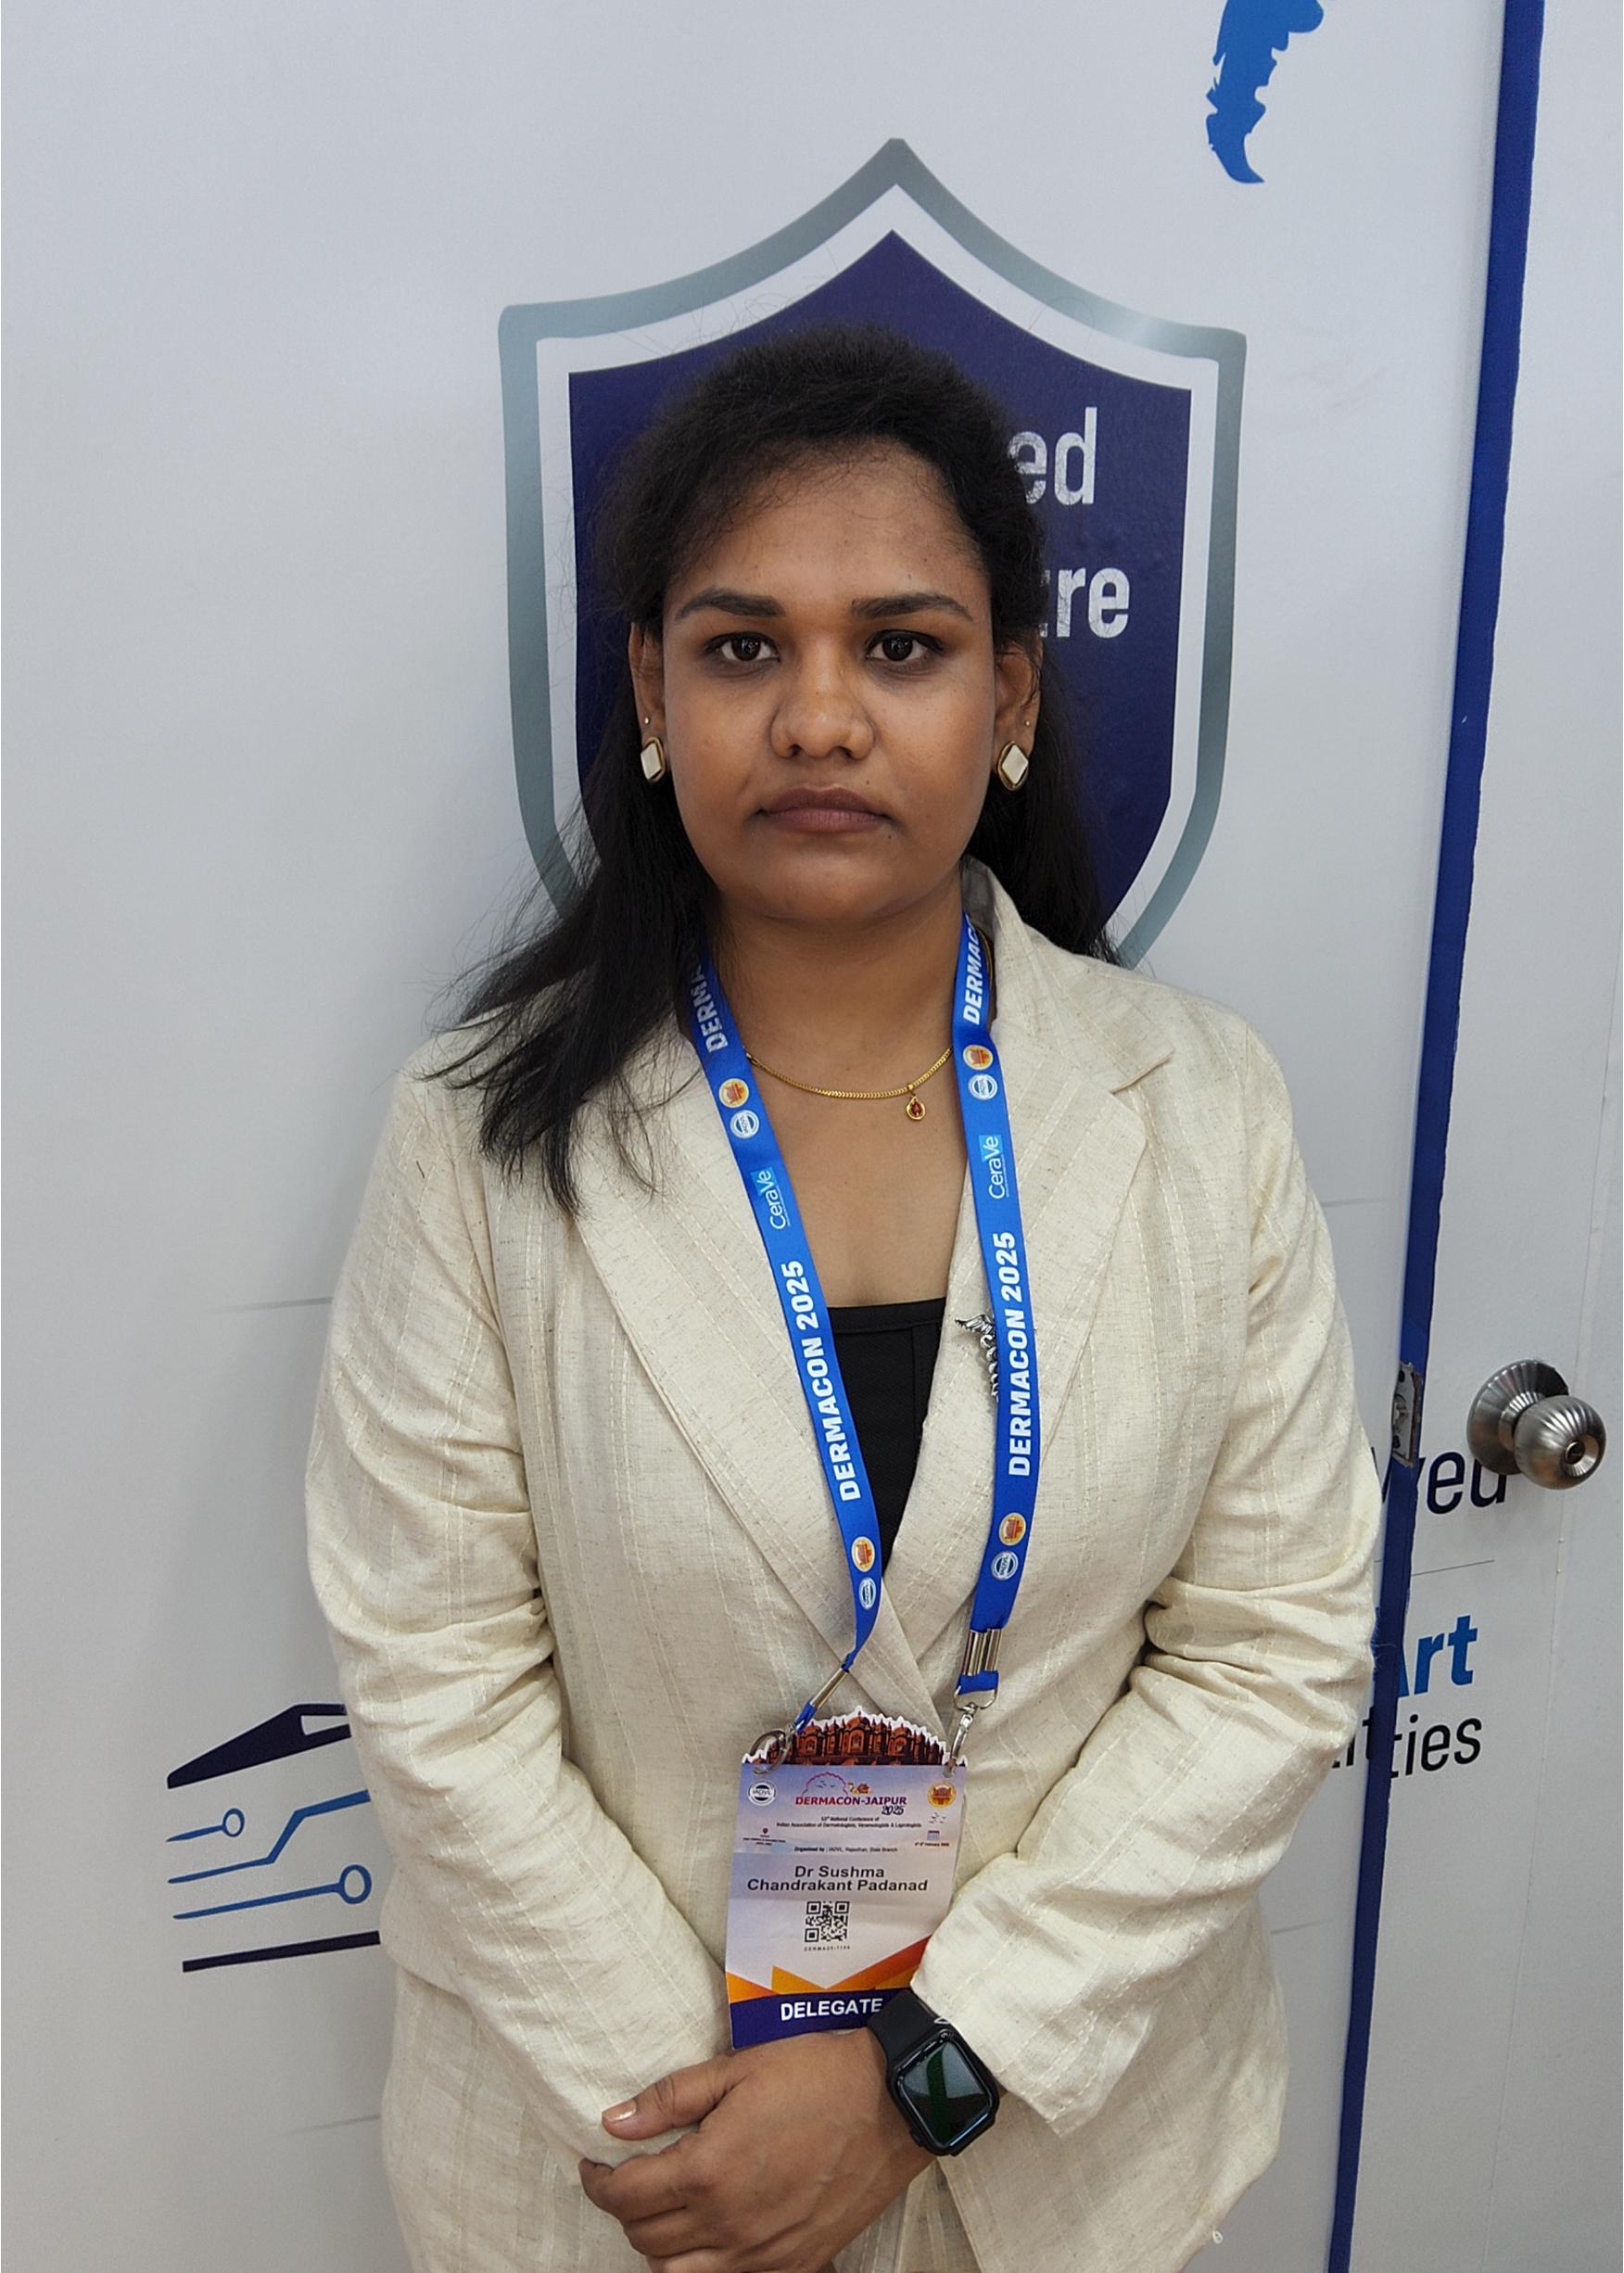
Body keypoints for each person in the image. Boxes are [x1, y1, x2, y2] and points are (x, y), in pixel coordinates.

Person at [305, 324, 1380, 2273]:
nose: (818, 717)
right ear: (652, 691)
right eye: (743, 649)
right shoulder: (473, 1134)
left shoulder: (1201, 1104)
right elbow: (434, 1674)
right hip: (624, 2165)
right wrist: (719, 2128)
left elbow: (1275, 1642)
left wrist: (920, 2078)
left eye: (899, 646)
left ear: (1010, 695)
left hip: (1063, 2155)